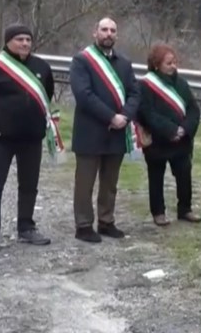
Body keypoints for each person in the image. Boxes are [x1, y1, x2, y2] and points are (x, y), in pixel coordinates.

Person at [0, 24, 55, 251]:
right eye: (19, 39)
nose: (25, 43)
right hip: (1, 138)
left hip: (31, 137)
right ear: (8, 41)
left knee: (29, 185)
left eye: (28, 39)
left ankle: (26, 228)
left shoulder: (41, 67)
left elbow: (47, 94)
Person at [69, 17, 139, 243]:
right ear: (95, 32)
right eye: (104, 29)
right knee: (85, 183)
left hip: (116, 133)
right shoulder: (82, 61)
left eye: (112, 30)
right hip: (90, 131)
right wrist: (111, 116)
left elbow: (135, 94)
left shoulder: (125, 63)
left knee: (110, 183)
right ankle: (83, 225)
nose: (108, 33)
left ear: (116, 35)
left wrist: (125, 117)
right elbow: (84, 95)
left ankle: (106, 221)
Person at [137, 44, 201, 226]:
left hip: (181, 140)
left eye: (175, 62)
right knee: (156, 177)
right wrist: (170, 130)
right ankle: (158, 212)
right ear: (157, 65)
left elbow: (193, 110)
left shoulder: (181, 83)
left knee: (184, 175)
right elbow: (147, 113)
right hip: (159, 140)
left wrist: (184, 129)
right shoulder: (146, 85)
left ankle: (185, 209)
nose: (173, 66)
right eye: (168, 63)